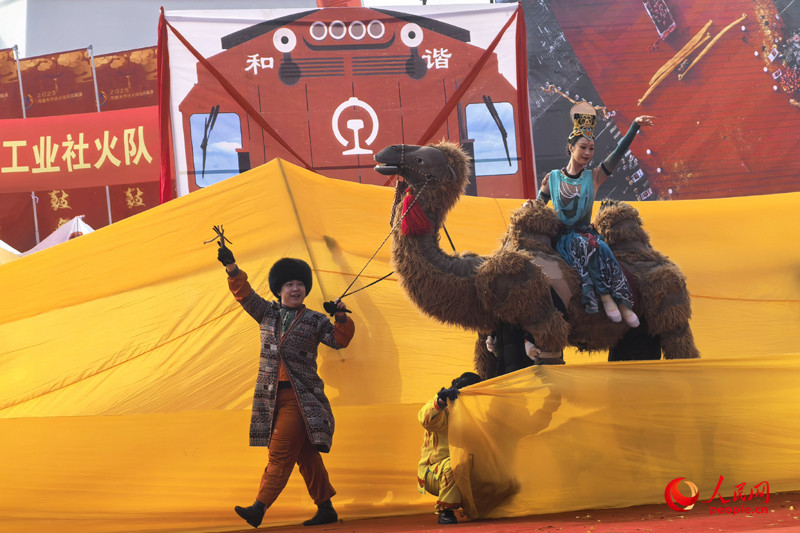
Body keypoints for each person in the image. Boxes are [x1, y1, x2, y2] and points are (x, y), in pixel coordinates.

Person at [217, 244, 355, 528]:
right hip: (269, 399)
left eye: (300, 284)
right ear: (279, 289)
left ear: (306, 289)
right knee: (306, 456)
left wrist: (340, 317)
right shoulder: (267, 313)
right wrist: (231, 268)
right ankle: (326, 508)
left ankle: (259, 507)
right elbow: (244, 294)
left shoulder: (316, 319)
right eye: (289, 284)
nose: (295, 288)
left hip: (301, 398)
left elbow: (340, 340)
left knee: (279, 453)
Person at [537, 103, 654, 328]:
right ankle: (605, 297)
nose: (588, 153)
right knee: (583, 245)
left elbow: (617, 153)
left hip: (588, 235)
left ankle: (622, 302)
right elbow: (537, 208)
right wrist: (528, 207)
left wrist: (634, 127)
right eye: (583, 147)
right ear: (570, 147)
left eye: (591, 148)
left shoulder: (594, 177)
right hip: (564, 239)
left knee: (602, 247)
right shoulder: (552, 178)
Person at [417, 371, 482, 525]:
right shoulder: (443, 409)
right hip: (435, 473)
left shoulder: (476, 413)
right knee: (455, 465)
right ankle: (446, 510)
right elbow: (426, 420)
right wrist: (440, 401)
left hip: (465, 469)